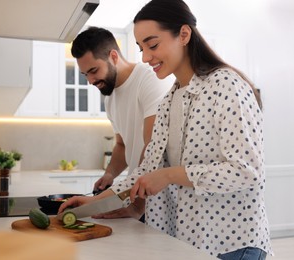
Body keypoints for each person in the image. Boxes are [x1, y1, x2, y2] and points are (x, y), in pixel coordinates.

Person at [59, 0, 272, 258]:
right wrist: (94, 202)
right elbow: (148, 170)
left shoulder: (227, 86)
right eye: (141, 48)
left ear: (183, 34)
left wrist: (171, 175)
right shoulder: (170, 100)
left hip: (233, 247)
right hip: (188, 242)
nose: (146, 57)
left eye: (153, 45)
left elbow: (246, 171)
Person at [71, 27, 171, 219]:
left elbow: (154, 148)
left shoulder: (149, 80)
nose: (90, 81)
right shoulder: (110, 98)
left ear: (113, 56)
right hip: (136, 197)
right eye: (85, 75)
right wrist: (110, 174)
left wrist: (137, 206)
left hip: (157, 203)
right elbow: (122, 144)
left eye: (93, 71)